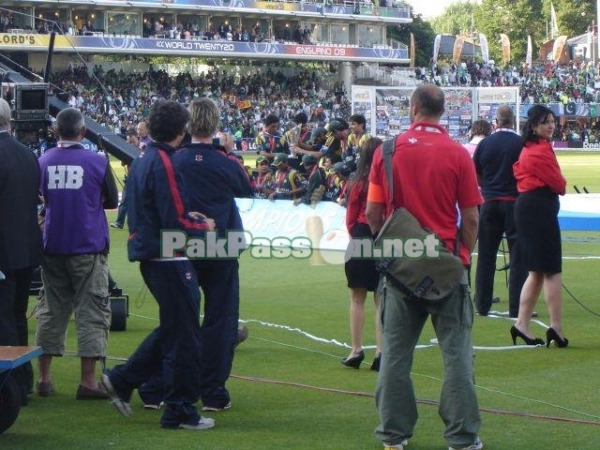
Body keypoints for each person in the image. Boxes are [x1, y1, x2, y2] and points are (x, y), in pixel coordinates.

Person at [366, 84, 483, 450]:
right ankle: (462, 437)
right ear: (442, 110)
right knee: (457, 357)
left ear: (413, 108)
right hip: (447, 266)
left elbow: (373, 212)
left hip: (401, 269)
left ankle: (393, 435)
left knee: (395, 357)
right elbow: (471, 217)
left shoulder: (388, 150)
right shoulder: (457, 154)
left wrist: (394, 248)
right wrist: (461, 257)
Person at [100, 100, 217, 430]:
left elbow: (155, 211)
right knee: (185, 335)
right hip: (169, 256)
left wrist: (186, 219)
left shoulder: (143, 159)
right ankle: (180, 409)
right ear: (183, 130)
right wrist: (201, 226)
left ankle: (123, 379)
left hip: (152, 253)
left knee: (175, 328)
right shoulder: (164, 162)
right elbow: (174, 221)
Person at [173, 98, 252, 411]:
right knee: (221, 319)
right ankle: (213, 390)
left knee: (181, 318)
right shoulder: (224, 161)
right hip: (221, 244)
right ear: (216, 126)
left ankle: (173, 385)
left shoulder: (176, 159)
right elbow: (247, 187)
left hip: (182, 241)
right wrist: (229, 153)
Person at [36, 107, 119, 400]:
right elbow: (112, 201)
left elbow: (42, 197)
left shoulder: (43, 160)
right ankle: (88, 382)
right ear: (82, 132)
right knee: (92, 311)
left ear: (56, 131)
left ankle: (44, 379)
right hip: (87, 246)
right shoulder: (97, 160)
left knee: (50, 311)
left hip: (53, 244)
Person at [510, 105, 568, 348]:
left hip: (532, 208)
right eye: (545, 122)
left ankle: (522, 323)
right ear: (533, 126)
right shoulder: (538, 152)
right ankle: (555, 327)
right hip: (537, 209)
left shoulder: (533, 148)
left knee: (536, 271)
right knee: (551, 270)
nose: (551, 125)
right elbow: (560, 184)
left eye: (552, 121)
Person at [0, 98, 43, 404]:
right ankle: (22, 382)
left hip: (3, 251)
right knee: (16, 316)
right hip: (25, 248)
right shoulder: (27, 154)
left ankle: (10, 387)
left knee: (4, 319)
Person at [473, 106, 527, 318]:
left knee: (486, 255)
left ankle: (482, 304)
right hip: (515, 202)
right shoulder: (521, 143)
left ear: (496, 121)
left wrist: (488, 188)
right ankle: (516, 307)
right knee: (518, 257)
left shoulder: (485, 143)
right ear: (513, 121)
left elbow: (476, 174)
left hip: (490, 202)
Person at [341, 136, 382, 372]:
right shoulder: (388, 181)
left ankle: (356, 350)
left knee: (357, 298)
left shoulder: (357, 182)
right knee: (381, 298)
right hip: (384, 236)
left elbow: (350, 216)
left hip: (360, 234)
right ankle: (381, 352)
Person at [111, 129, 139, 229]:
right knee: (124, 201)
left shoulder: (142, 147)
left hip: (140, 178)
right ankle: (119, 222)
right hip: (130, 178)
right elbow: (123, 163)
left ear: (135, 137)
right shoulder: (128, 148)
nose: (129, 142)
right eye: (128, 141)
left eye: (131, 140)